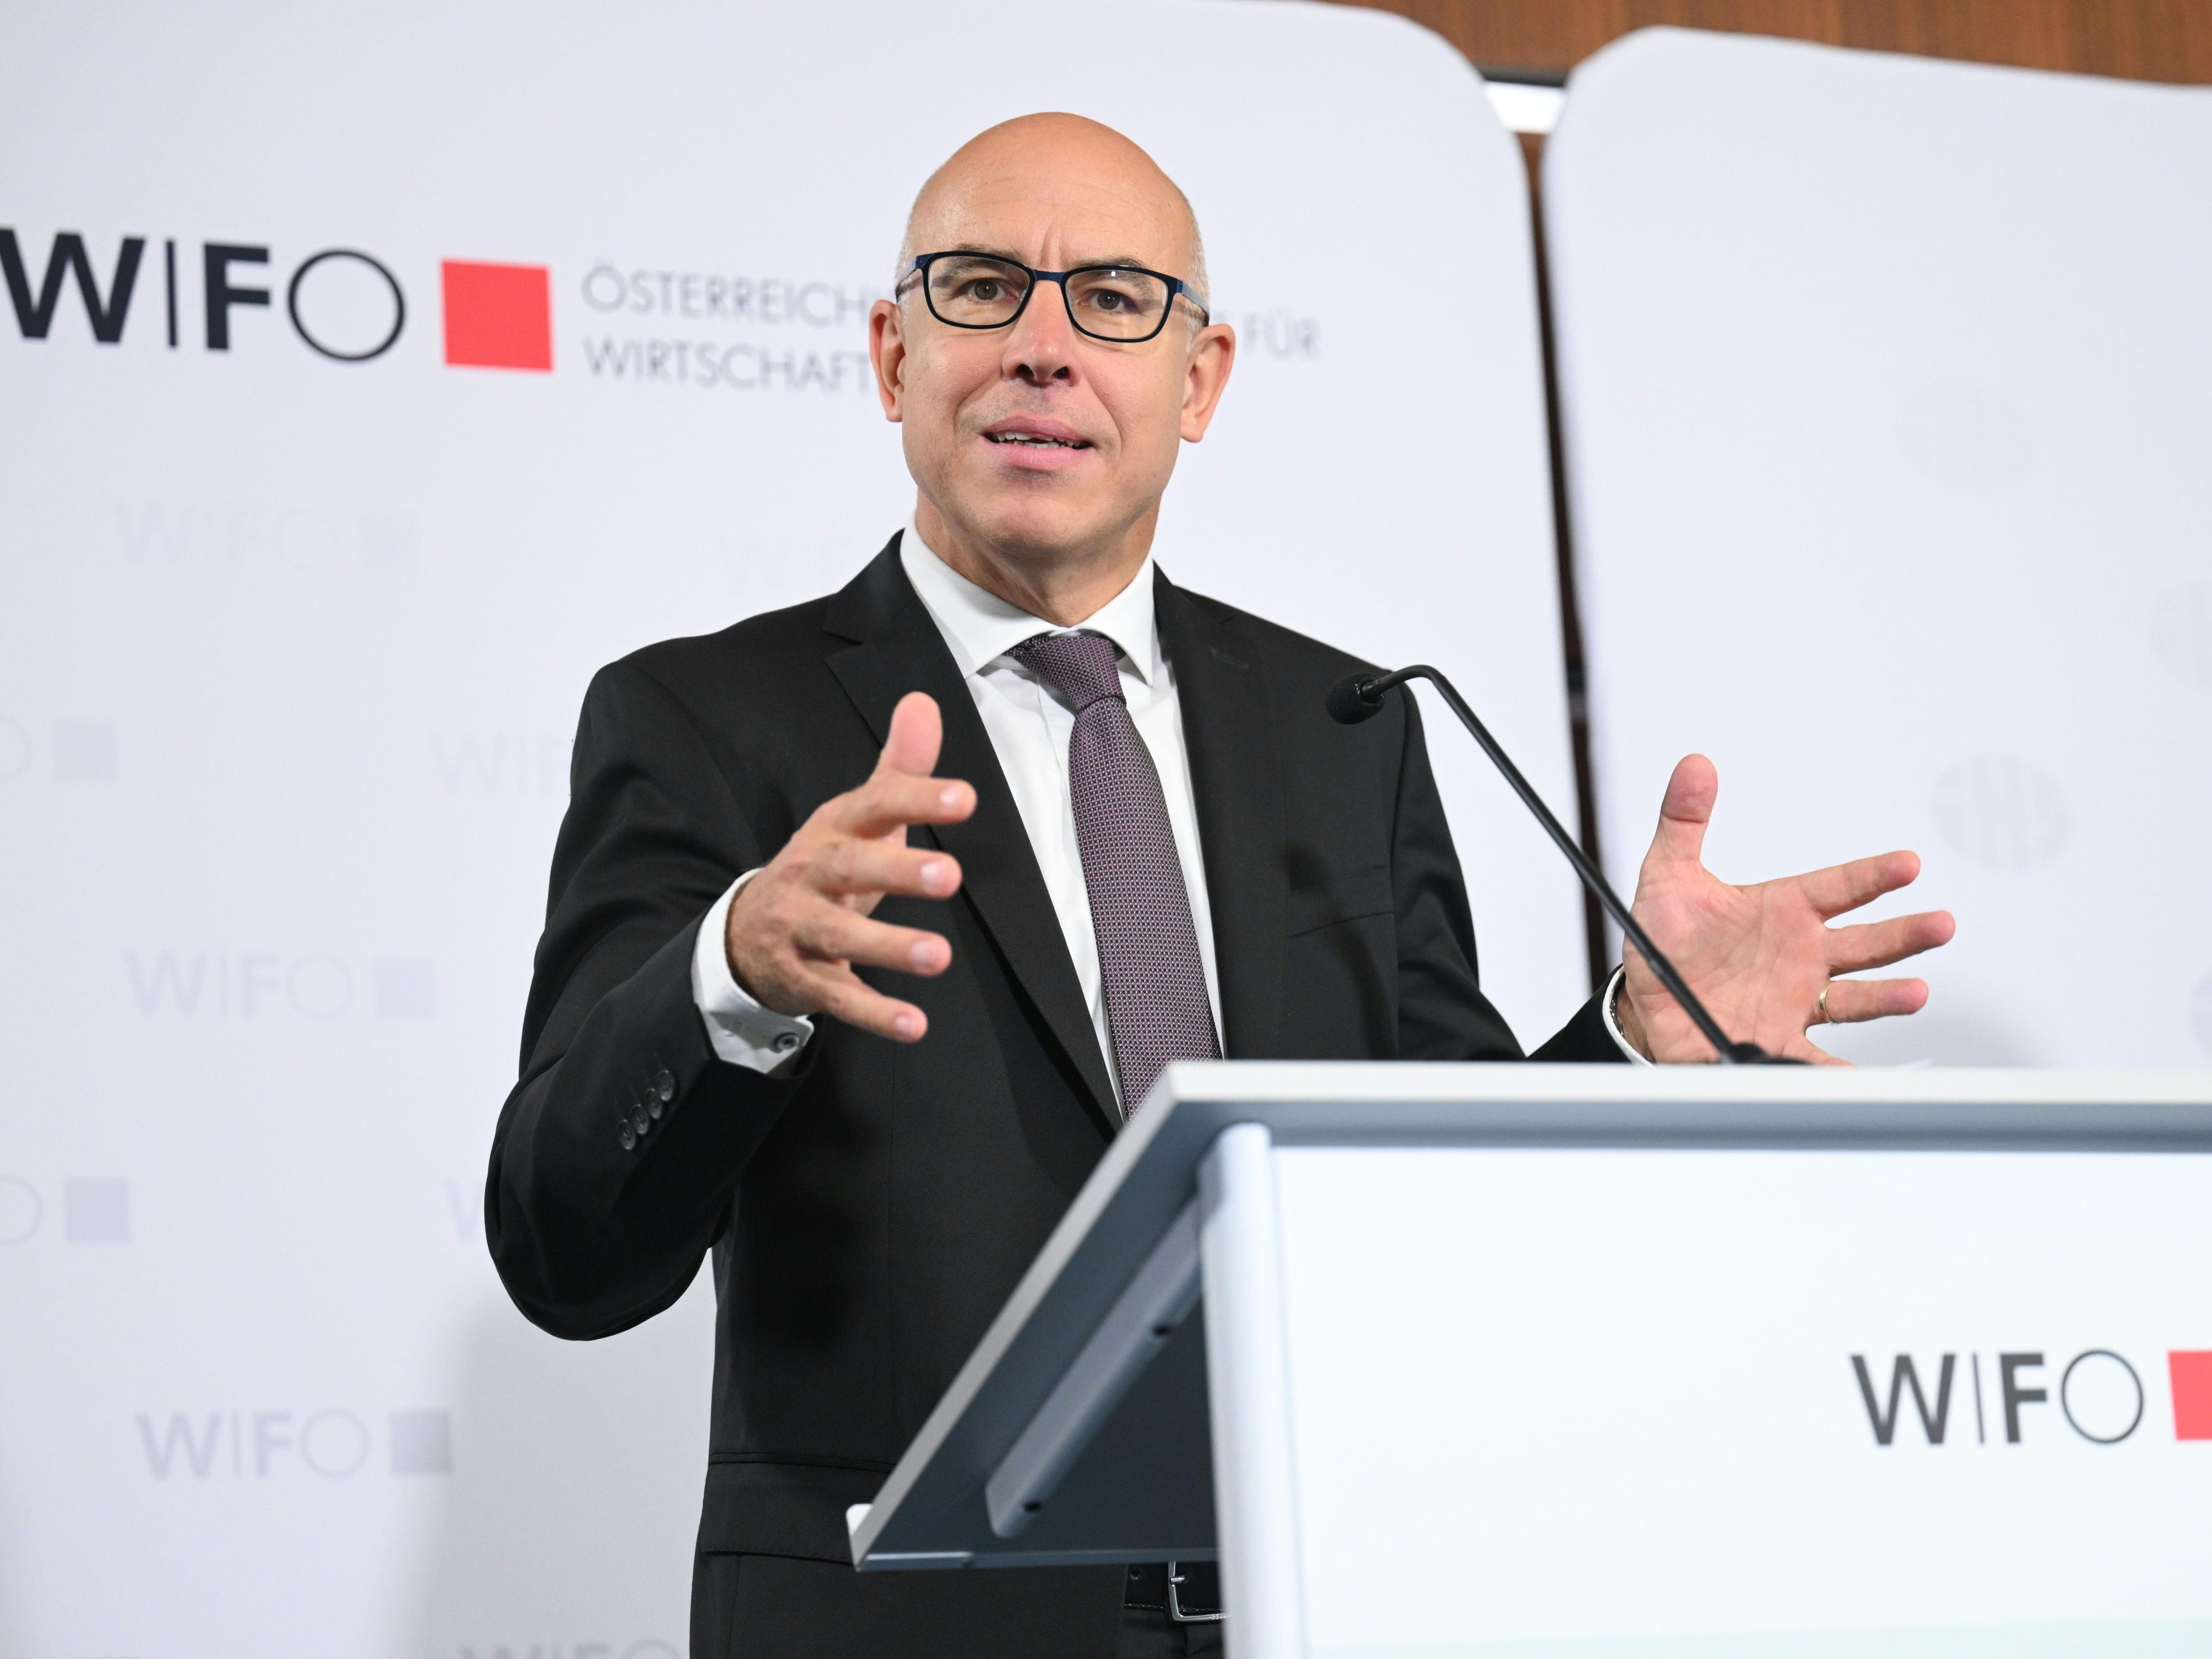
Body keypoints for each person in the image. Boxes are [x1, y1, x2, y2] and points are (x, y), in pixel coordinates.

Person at [486, 112, 1953, 1659]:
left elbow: (1443, 1210)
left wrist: (1636, 1040)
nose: (1045, 347)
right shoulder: (712, 718)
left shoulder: (1349, 728)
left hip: (1335, 1608)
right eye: (983, 287)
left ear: (1201, 380)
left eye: (1115, 298)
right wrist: (731, 976)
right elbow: (564, 1249)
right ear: (890, 356)